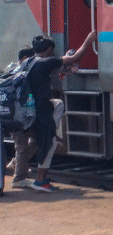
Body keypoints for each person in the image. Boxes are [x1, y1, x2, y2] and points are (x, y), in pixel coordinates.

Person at [22, 32, 96, 192]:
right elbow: (75, 57)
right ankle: (40, 181)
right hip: (41, 110)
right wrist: (88, 40)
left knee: (59, 103)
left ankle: (49, 134)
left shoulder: (28, 62)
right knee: (50, 143)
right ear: (48, 49)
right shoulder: (48, 61)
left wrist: (63, 70)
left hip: (29, 108)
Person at [7, 47, 39, 190]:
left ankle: (17, 164)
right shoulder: (19, 72)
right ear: (25, 58)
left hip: (17, 115)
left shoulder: (11, 70)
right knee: (21, 146)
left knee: (34, 141)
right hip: (18, 117)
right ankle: (18, 179)